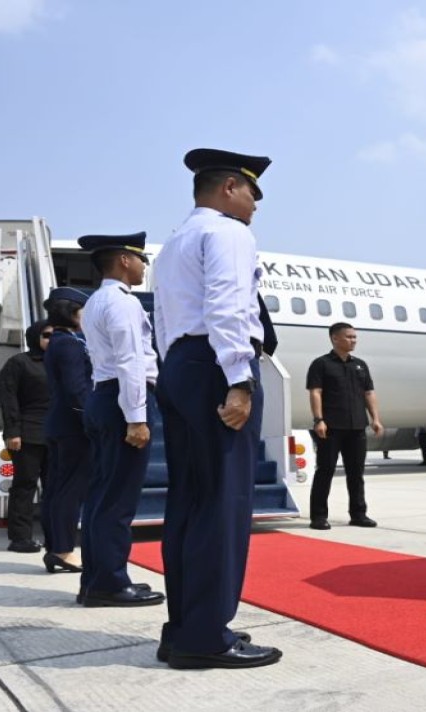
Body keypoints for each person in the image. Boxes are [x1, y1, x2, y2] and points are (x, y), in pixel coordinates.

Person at [152, 147, 282, 670]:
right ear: (230, 186)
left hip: (181, 365)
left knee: (187, 504)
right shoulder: (228, 232)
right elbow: (228, 306)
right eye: (253, 192)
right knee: (224, 503)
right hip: (214, 366)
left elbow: (165, 322)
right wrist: (240, 380)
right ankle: (206, 635)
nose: (256, 204)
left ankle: (184, 627)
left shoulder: (174, 242)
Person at [77, 231, 165, 608]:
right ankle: (110, 583)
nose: (145, 266)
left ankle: (97, 579)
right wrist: (136, 417)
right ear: (124, 260)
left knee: (100, 496)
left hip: (102, 397)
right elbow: (131, 361)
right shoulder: (122, 303)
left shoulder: (96, 301)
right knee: (117, 501)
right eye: (141, 259)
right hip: (119, 402)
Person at [306, 323, 384, 529]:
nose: (353, 340)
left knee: (356, 473)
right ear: (335, 339)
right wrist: (318, 420)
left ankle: (359, 514)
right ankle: (318, 517)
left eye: (355, 337)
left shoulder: (360, 365)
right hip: (330, 427)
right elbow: (316, 393)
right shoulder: (321, 364)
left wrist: (375, 418)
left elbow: (369, 393)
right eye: (349, 337)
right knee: (325, 471)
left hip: (357, 426)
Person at [41, 286, 92, 575]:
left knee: (58, 489)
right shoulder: (70, 344)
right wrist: (90, 418)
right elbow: (76, 389)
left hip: (58, 423)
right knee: (70, 490)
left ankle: (55, 546)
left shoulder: (57, 342)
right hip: (73, 426)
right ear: (72, 312)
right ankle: (63, 550)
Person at [0, 320, 52, 554]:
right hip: (28, 435)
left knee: (56, 488)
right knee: (24, 486)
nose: (52, 339)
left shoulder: (61, 363)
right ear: (35, 337)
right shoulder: (19, 363)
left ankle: (55, 536)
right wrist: (13, 432)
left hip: (57, 436)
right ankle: (20, 538)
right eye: (47, 335)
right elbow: (9, 399)